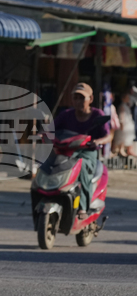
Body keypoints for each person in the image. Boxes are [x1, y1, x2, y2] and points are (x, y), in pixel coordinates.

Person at [52, 83, 112, 216]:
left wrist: (97, 141)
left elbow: (108, 136)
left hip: (87, 154)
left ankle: (83, 207)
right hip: (66, 152)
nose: (78, 101)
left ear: (90, 99)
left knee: (82, 166)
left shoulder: (97, 114)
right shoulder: (66, 114)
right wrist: (41, 134)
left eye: (82, 98)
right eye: (76, 97)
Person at [114, 89, 137, 156]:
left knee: (125, 138)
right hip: (125, 125)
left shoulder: (126, 105)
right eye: (127, 97)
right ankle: (120, 150)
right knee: (122, 138)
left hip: (128, 124)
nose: (128, 99)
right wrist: (121, 124)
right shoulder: (122, 106)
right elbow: (121, 116)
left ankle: (123, 149)